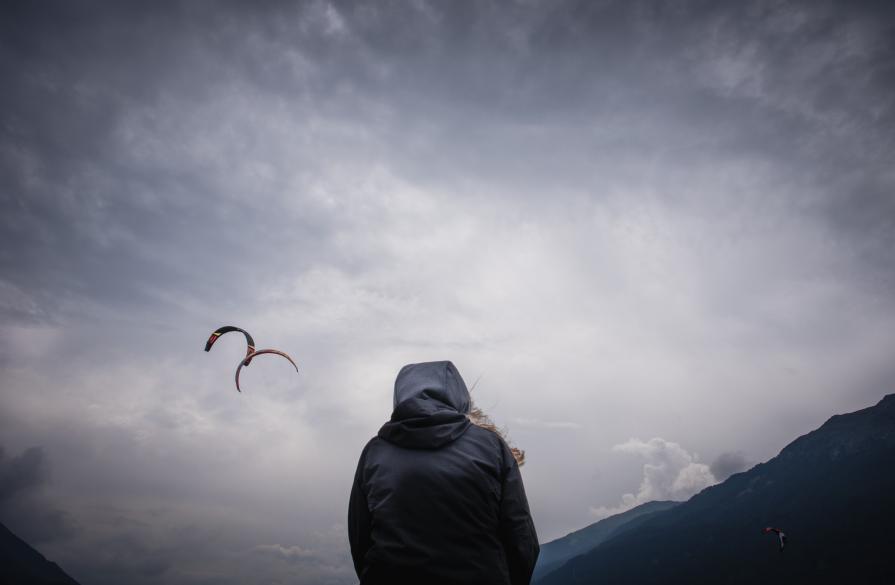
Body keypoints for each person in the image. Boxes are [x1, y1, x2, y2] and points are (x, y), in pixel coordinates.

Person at [348, 360, 539, 585]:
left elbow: (360, 540)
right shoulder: (492, 447)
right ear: (458, 396)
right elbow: (521, 540)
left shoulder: (374, 453)